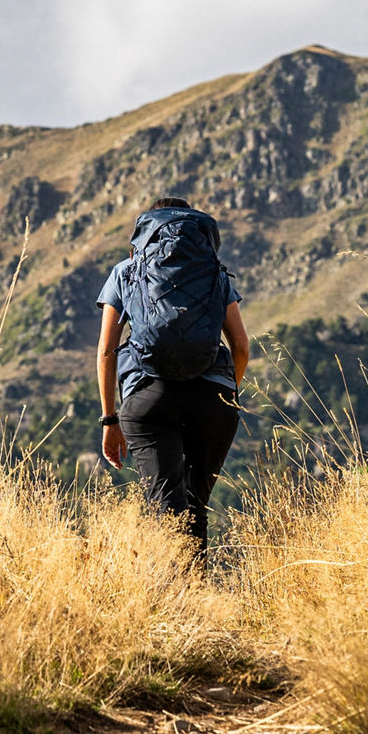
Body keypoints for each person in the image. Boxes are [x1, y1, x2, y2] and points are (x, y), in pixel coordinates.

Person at [96, 196, 249, 557]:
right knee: (196, 505)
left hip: (148, 398)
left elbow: (106, 351)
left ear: (145, 232)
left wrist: (109, 419)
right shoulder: (213, 272)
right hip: (214, 397)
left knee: (165, 510)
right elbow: (241, 347)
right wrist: (226, 394)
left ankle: (175, 604)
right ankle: (199, 600)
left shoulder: (126, 271)